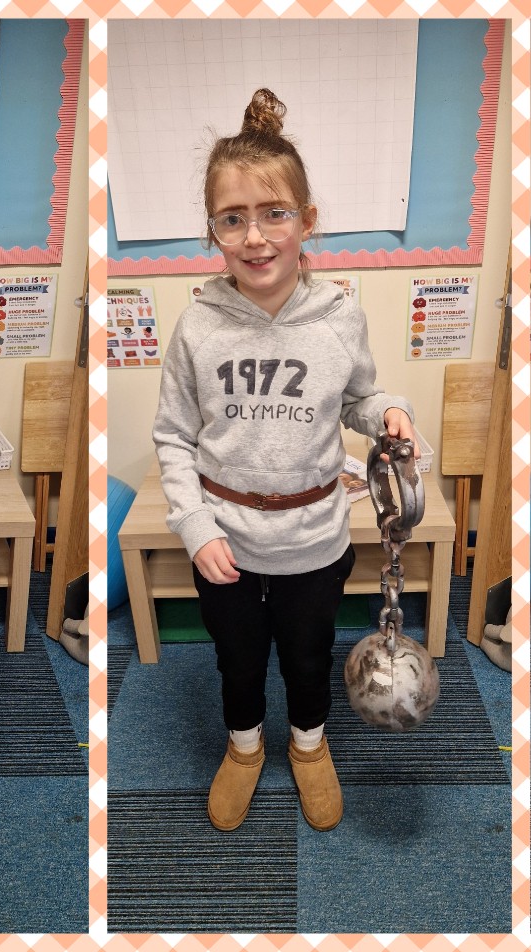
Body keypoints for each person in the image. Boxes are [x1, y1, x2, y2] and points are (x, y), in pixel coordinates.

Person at [153, 89, 418, 832]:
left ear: (307, 220)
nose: (255, 237)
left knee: (307, 658)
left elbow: (357, 398)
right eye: (231, 219)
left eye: (274, 214)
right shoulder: (197, 326)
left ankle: (308, 745)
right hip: (226, 542)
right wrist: (194, 527)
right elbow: (173, 436)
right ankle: (244, 749)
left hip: (313, 540)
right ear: (212, 231)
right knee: (237, 662)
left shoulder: (338, 315)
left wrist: (388, 411)